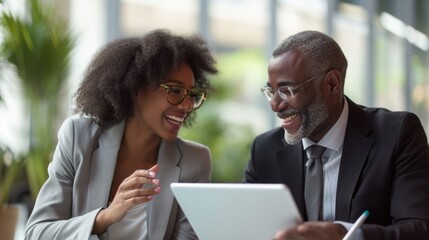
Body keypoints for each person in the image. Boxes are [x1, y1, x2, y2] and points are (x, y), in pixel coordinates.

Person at [24, 29, 218, 240]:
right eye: (174, 91)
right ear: (136, 88)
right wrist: (104, 218)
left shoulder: (195, 161)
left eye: (191, 95)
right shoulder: (78, 139)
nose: (188, 105)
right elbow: (37, 233)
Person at [244, 30, 429, 240]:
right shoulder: (264, 149)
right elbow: (243, 225)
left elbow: (419, 229)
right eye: (271, 91)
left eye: (287, 90)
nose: (275, 105)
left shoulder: (396, 134)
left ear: (332, 84)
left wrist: (343, 233)